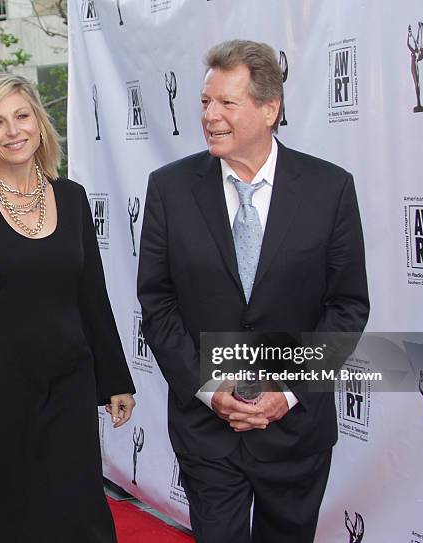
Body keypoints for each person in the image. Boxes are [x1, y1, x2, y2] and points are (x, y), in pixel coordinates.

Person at [137, 40, 369, 543]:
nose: (210, 116)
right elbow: (157, 304)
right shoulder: (169, 189)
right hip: (207, 433)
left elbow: (347, 306)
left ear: (270, 109)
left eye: (226, 103)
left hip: (296, 433)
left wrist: (287, 391)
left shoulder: (330, 189)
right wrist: (209, 388)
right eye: (204, 102)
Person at [0, 73, 136, 543]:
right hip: (0, 392)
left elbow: (92, 296)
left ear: (40, 124)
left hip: (70, 384)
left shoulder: (73, 198)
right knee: (6, 517)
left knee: (75, 508)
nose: (13, 130)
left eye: (22, 116)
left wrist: (115, 378)